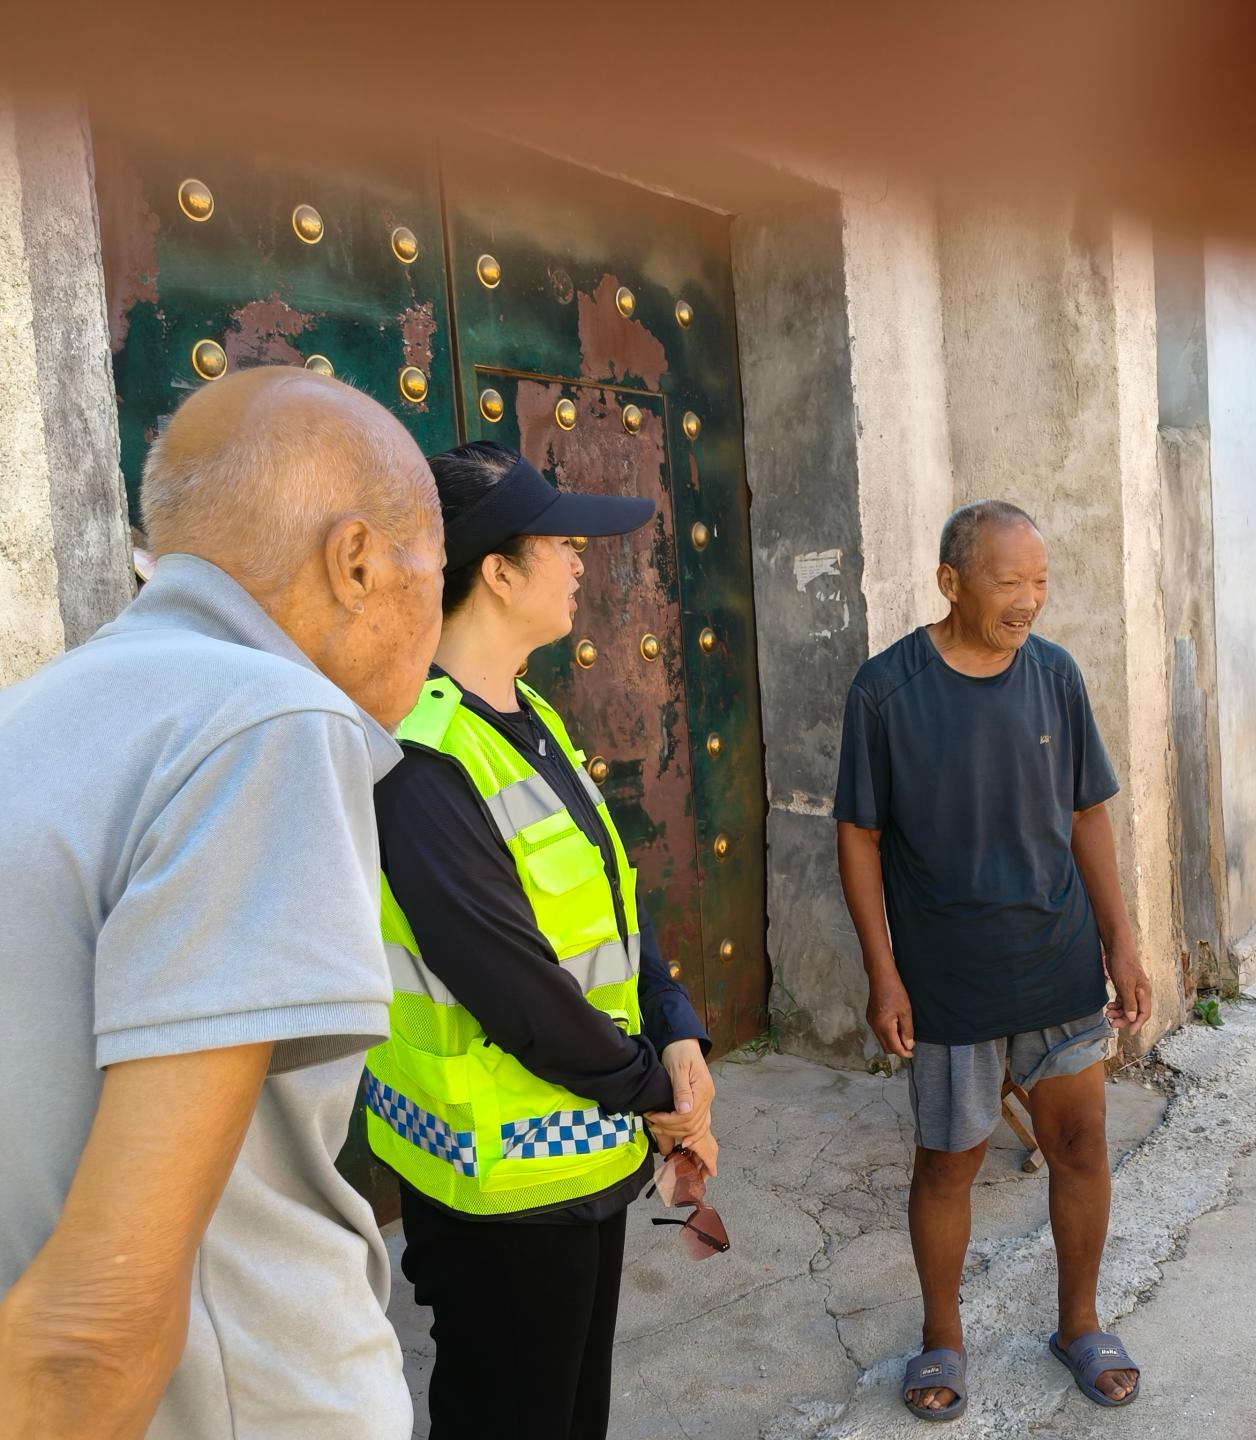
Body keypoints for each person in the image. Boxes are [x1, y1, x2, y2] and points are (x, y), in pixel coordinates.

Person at [0, 366, 444, 1439]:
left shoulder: (41, 709)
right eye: (435, 571)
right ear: (356, 562)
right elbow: (95, 1327)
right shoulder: (271, 724)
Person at [369, 442, 718, 1440]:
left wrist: (676, 1027)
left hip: (585, 1164)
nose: (579, 561)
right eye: (559, 544)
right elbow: (516, 989)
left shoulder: (528, 717)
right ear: (497, 570)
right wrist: (661, 1099)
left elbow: (611, 905)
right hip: (499, 1198)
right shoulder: (422, 759)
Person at [834, 500, 1153, 1421]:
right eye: (1009, 582)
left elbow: (1087, 813)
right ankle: (942, 1337)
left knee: (1081, 1146)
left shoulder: (1055, 676)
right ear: (950, 582)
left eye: (1040, 582)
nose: (1029, 601)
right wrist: (883, 973)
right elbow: (859, 836)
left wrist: (1121, 941)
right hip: (947, 977)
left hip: (1056, 960)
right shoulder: (886, 691)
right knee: (948, 1163)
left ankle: (1080, 1325)